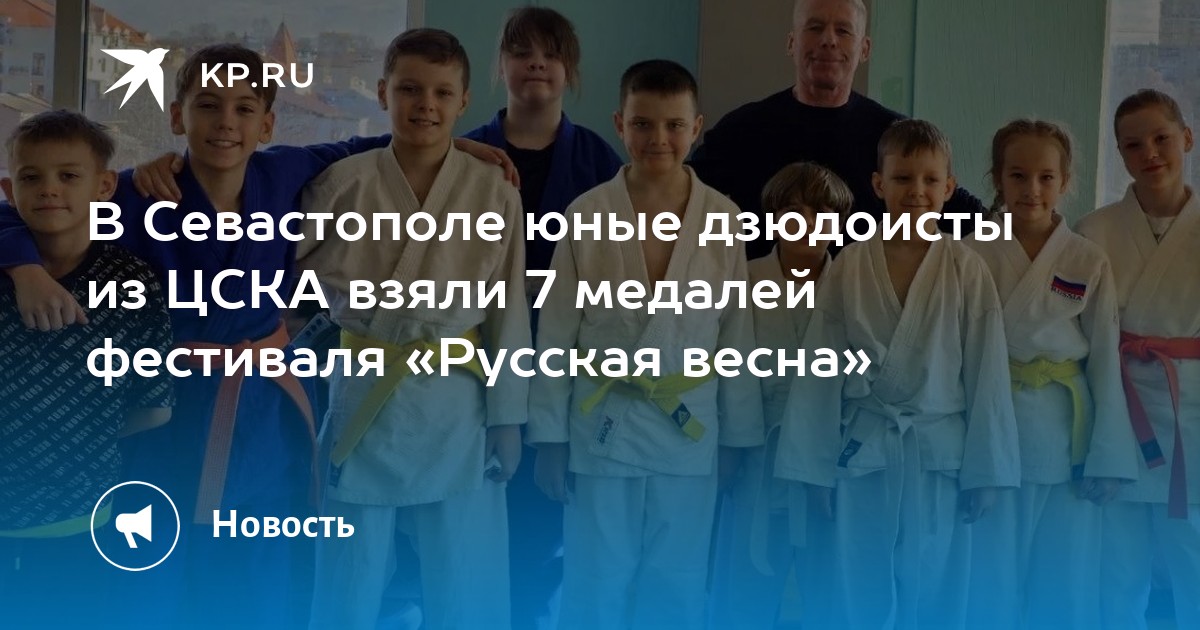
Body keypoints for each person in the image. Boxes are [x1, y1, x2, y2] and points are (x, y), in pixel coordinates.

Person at [300, 28, 529, 630]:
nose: (425, 104)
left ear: (464, 101)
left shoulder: (494, 192)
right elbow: (273, 274)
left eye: (441, 93)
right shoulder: (341, 184)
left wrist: (508, 418)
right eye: (409, 89)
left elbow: (508, 313)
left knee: (467, 577)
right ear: (382, 93)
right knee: (348, 577)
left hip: (457, 403)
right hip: (363, 393)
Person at [527, 59, 762, 630]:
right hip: (603, 425)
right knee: (594, 578)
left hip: (688, 429)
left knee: (677, 581)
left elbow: (735, 337)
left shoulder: (724, 219)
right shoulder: (585, 215)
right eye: (643, 124)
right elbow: (556, 334)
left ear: (697, 128)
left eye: (674, 125)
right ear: (619, 124)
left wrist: (736, 437)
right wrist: (550, 439)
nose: (659, 138)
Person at [775, 119, 1019, 629]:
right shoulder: (850, 264)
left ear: (949, 188)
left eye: (930, 180)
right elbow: (820, 369)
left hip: (939, 454)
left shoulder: (966, 267)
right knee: (857, 588)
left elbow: (988, 374)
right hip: (863, 451)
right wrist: (813, 466)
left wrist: (987, 471)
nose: (917, 191)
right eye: (903, 178)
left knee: (937, 587)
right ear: (879, 184)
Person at [461, 9, 623, 628]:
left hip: (565, 361)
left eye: (550, 54)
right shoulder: (465, 154)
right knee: (472, 515)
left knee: (545, 520)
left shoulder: (598, 160)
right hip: (474, 358)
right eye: (521, 51)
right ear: (500, 65)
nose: (536, 63)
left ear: (569, 71)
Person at [0, 110, 174, 628]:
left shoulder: (133, 279)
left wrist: (76, 435)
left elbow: (155, 406)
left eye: (68, 175)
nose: (49, 189)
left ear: (104, 186)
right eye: (32, 177)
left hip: (82, 519)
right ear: (9, 190)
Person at [964, 119, 1139, 629]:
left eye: (1046, 177)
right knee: (988, 581)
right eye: (1018, 176)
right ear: (997, 178)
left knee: (1066, 586)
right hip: (993, 427)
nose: (1032, 190)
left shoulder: (1086, 258)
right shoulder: (972, 253)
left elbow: (1104, 359)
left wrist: (1109, 457)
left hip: (1067, 439)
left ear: (1065, 181)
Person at [689, 0, 983, 259]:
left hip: (865, 300)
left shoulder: (894, 138)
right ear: (792, 43)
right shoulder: (744, 129)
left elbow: (970, 217)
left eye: (843, 31)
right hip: (764, 297)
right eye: (815, 28)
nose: (828, 40)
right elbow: (681, 195)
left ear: (864, 48)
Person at [708, 162, 852, 629]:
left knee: (829, 598)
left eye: (822, 213)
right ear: (772, 218)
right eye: (794, 211)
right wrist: (731, 447)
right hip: (755, 454)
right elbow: (727, 371)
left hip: (830, 461)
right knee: (743, 596)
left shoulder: (853, 285)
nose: (808, 224)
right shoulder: (744, 278)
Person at [1076, 88, 1200, 630]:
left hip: (1191, 412)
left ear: (1187, 139)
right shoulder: (1094, 231)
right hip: (1119, 407)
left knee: (1193, 559)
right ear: (1120, 154)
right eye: (1133, 144)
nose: (1149, 153)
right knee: (1118, 569)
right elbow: (1073, 321)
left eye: (1161, 138)